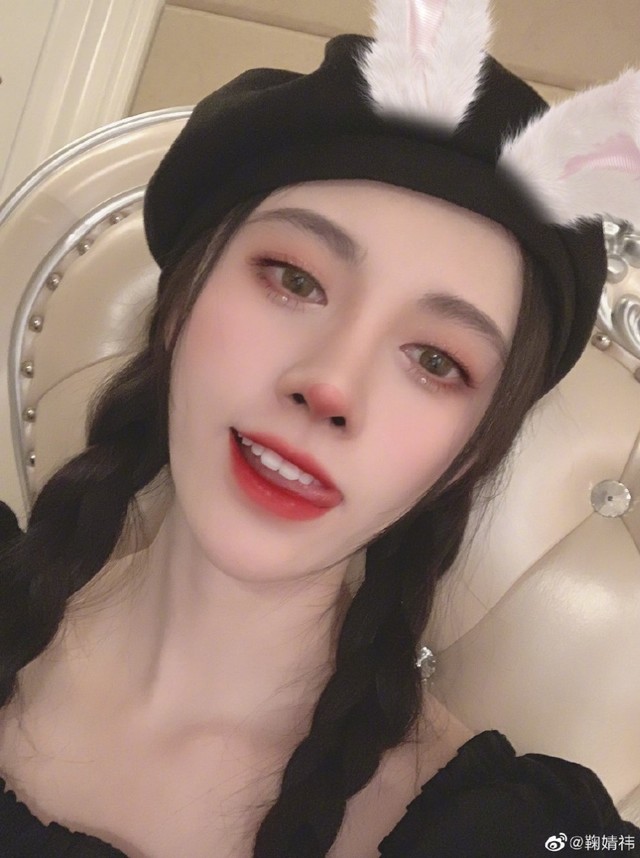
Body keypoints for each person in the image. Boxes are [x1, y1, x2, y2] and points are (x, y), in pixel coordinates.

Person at [1, 0, 639, 856]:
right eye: (295, 280)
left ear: (467, 455)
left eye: (436, 360)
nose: (331, 384)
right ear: (180, 303)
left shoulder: (515, 835)